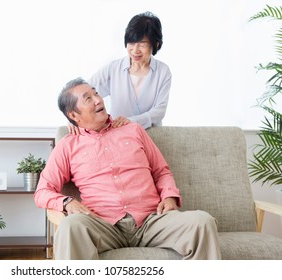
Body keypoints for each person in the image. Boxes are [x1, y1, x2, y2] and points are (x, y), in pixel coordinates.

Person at [34, 77, 221, 260]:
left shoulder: (133, 130)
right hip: (103, 225)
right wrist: (67, 202)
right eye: (88, 99)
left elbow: (161, 171)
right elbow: (42, 191)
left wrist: (169, 196)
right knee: (70, 226)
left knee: (202, 222)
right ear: (74, 116)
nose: (99, 100)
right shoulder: (68, 145)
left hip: (151, 220)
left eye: (96, 93)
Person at [69, 11, 171, 135]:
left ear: (156, 44)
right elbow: (85, 93)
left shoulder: (163, 71)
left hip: (151, 135)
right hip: (118, 135)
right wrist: (74, 118)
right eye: (131, 43)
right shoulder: (114, 68)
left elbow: (159, 112)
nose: (135, 50)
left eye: (142, 45)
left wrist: (131, 121)